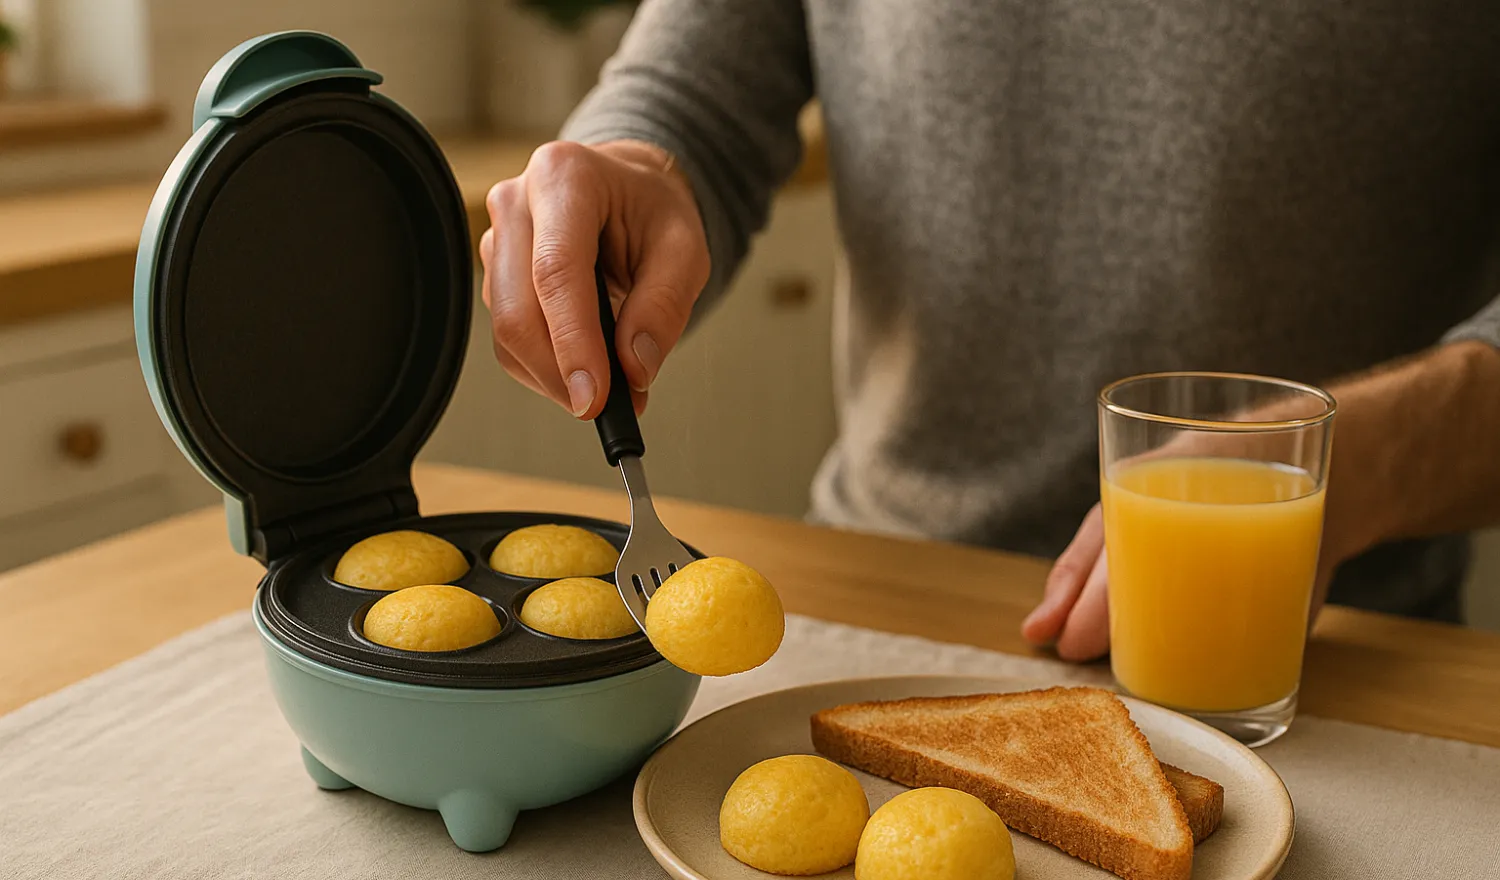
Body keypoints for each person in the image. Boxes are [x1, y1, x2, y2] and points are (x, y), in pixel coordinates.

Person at [478, 0, 1500, 660]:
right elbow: (693, 90)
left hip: (1321, 658)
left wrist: (1356, 460)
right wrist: (629, 169)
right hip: (888, 598)